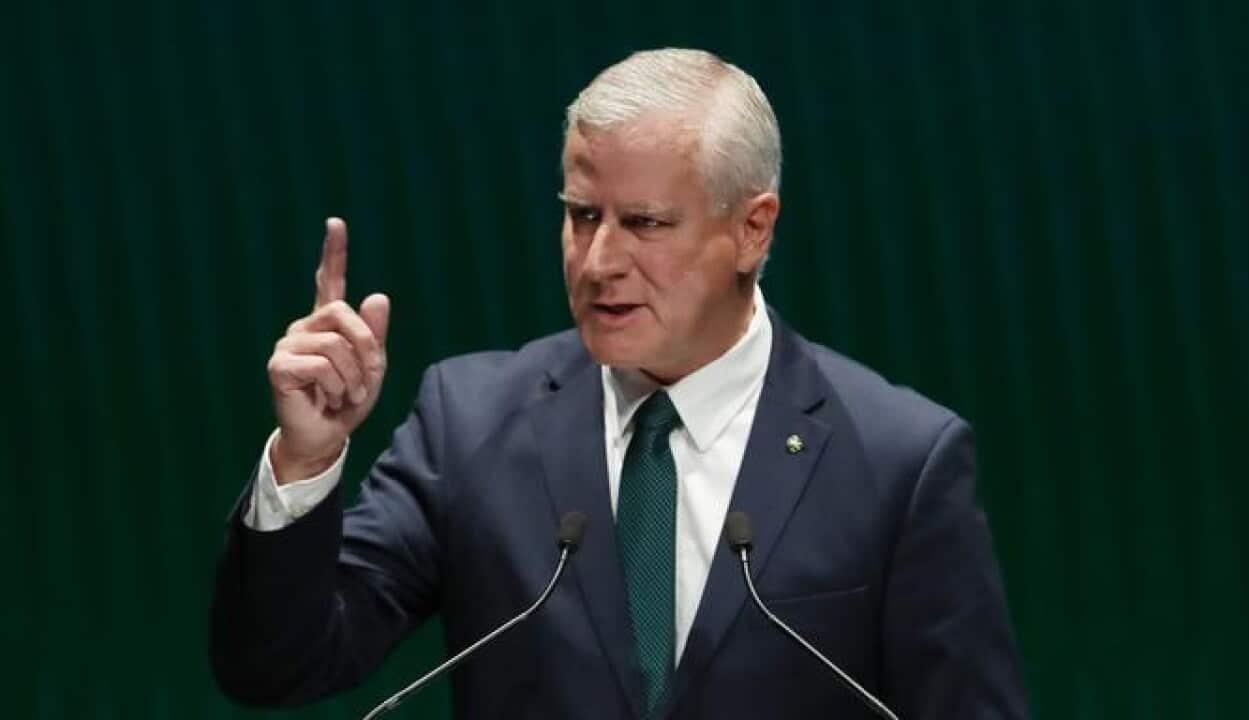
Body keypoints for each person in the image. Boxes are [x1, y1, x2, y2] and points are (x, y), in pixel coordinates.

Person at [209, 48, 1028, 718]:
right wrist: (306, 460)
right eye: (580, 216)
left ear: (752, 228)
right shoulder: (472, 423)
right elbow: (276, 667)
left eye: (644, 222)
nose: (599, 262)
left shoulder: (898, 459)